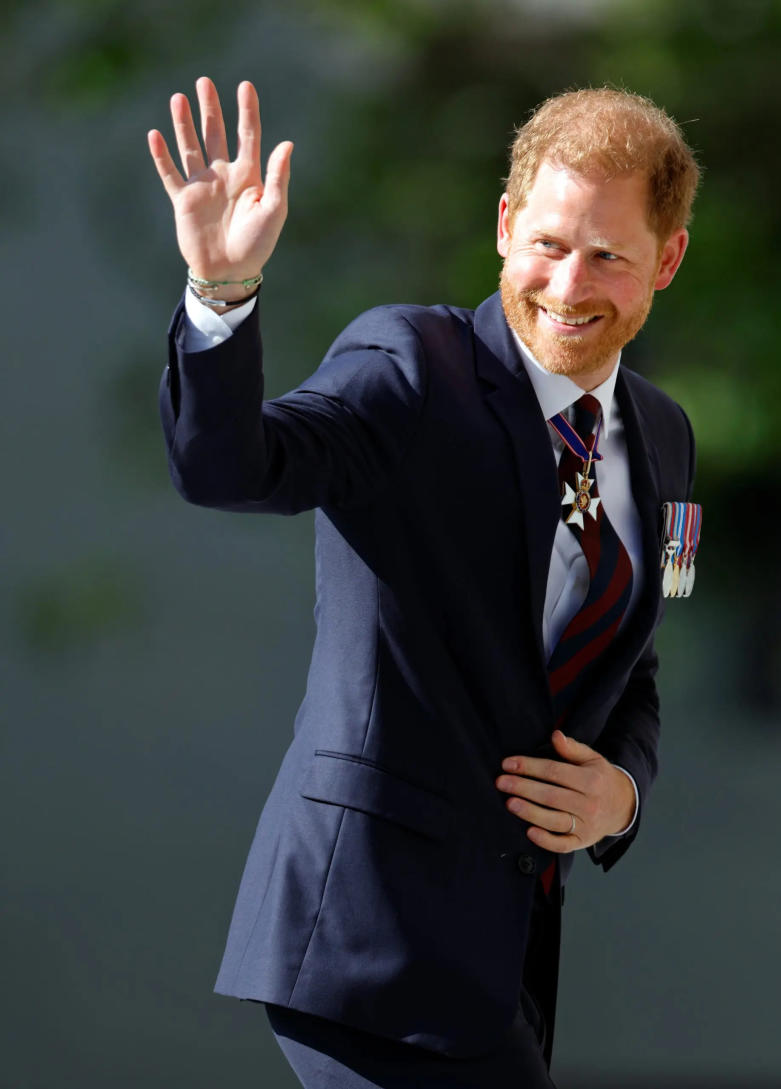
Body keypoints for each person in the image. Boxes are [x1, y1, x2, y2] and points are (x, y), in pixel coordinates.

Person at [149, 77, 699, 1088]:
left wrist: (621, 796)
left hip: (506, 953)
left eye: (608, 256)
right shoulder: (405, 364)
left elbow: (642, 658)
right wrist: (222, 294)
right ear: (503, 225)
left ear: (666, 258)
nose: (568, 285)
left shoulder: (668, 439)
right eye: (546, 242)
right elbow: (232, 470)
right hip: (366, 940)